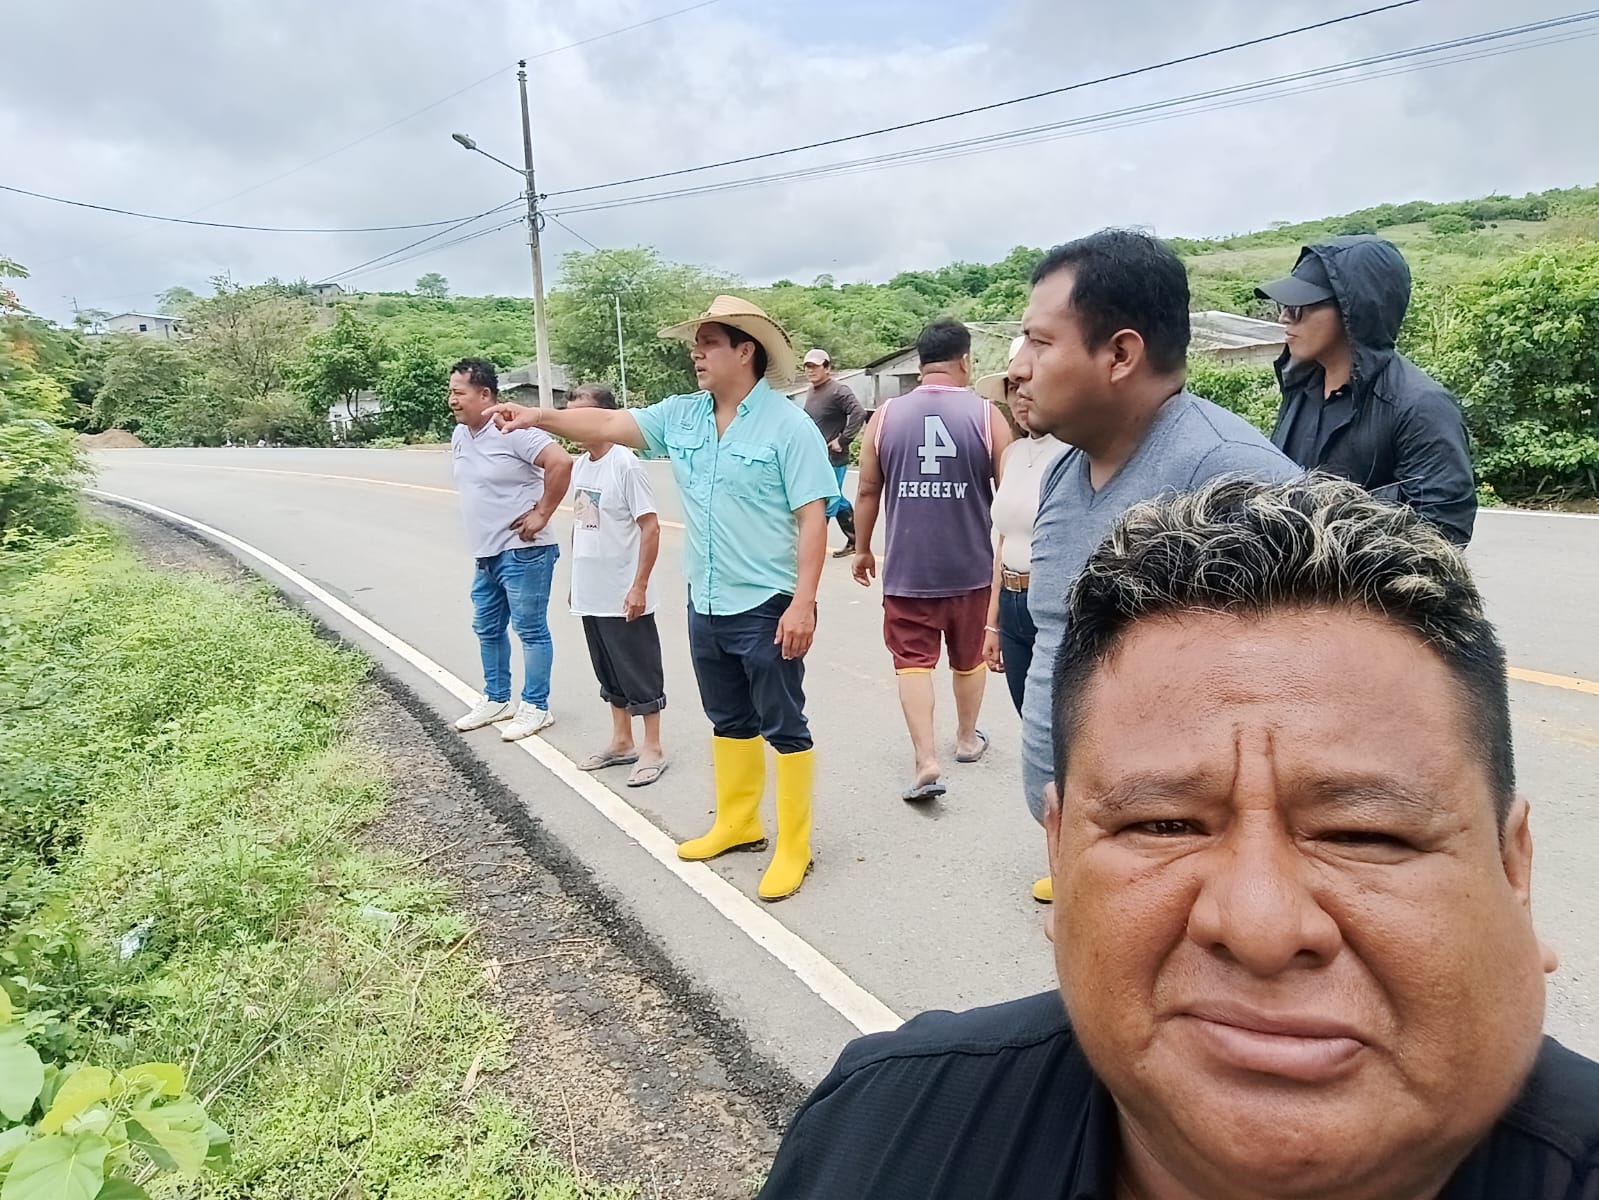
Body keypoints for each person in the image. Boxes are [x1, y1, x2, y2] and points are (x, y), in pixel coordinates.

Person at [757, 475, 1597, 1200]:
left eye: (1362, 833)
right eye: (1162, 824)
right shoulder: (880, 1137)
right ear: (1060, 858)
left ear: (1512, 869)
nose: (1260, 926)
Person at [490, 296, 838, 902]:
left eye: (708, 344)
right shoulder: (683, 415)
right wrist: (537, 417)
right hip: (707, 600)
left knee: (783, 723)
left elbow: (813, 518)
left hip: (767, 602)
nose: (696, 354)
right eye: (695, 346)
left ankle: (794, 846)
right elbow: (605, 426)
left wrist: (802, 602)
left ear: (745, 351)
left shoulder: (789, 426)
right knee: (728, 718)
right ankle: (740, 824)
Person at [1013, 230, 1295, 903]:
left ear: (1119, 354)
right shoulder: (1065, 472)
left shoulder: (1228, 478)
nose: (1017, 367)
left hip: (1186, 872)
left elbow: (1293, 701)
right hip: (1089, 838)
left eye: (1039, 343)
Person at [853, 318, 1012, 802]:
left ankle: (925, 759)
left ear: (921, 363)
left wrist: (862, 548)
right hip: (972, 568)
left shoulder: (884, 417)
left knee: (912, 662)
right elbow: (1012, 495)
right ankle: (966, 740)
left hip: (908, 571)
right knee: (969, 657)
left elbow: (867, 489)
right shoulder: (987, 415)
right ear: (965, 360)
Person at [1257, 236, 1476, 545]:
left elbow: (1441, 533)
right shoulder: (1302, 389)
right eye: (1285, 307)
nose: (1285, 318)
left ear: (1353, 310)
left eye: (1299, 307)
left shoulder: (1420, 406)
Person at [447, 356, 572, 742]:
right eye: (450, 392)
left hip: (523, 551)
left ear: (485, 394)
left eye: (459, 392)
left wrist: (542, 513)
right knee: (486, 627)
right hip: (486, 554)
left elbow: (560, 462)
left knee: (530, 629)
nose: (452, 399)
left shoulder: (510, 429)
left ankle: (536, 706)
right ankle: (497, 699)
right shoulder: (460, 435)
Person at [565, 383, 668, 789]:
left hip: (623, 589)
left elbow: (651, 528)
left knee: (638, 667)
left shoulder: (626, 464)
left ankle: (653, 747)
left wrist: (639, 586)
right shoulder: (581, 465)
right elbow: (582, 523)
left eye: (582, 415)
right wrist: (575, 580)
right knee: (607, 667)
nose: (572, 423)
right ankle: (622, 741)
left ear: (605, 417)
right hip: (591, 588)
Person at [977, 335, 1069, 717]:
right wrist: (992, 623)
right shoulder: (1012, 454)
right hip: (1012, 604)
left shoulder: (1073, 453)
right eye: (1012, 388)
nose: (1019, 396)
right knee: (1026, 713)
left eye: (1028, 385)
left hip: (1052, 604)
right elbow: (1003, 539)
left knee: (1057, 720)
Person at [801, 348, 867, 557]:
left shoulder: (838, 390)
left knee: (828, 499)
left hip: (833, 457)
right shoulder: (812, 391)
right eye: (807, 367)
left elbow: (858, 412)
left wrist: (843, 440)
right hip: (817, 457)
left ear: (827, 368)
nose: (810, 371)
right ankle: (855, 541)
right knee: (835, 498)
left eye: (815, 366)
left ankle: (815, 548)